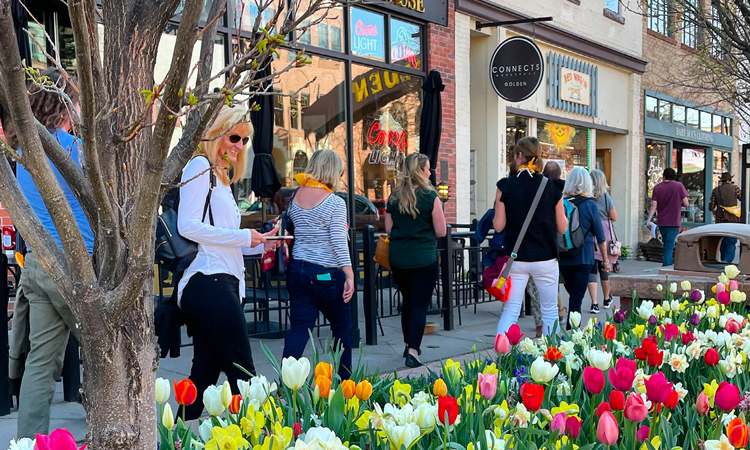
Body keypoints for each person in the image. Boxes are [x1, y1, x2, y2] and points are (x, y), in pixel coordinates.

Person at [176, 105, 277, 420]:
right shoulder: (199, 167)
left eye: (245, 140)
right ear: (217, 132)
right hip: (208, 282)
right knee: (243, 374)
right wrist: (244, 237)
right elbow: (187, 226)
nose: (239, 145)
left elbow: (226, 241)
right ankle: (266, 438)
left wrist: (259, 244)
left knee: (203, 377)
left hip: (221, 283)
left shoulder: (221, 179)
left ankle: (175, 438)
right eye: (235, 137)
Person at [9, 69, 95, 439]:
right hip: (73, 267)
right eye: (75, 101)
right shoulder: (72, 148)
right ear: (65, 105)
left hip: (39, 266)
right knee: (106, 352)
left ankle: (27, 443)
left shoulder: (23, 152)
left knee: (40, 364)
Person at [282, 150, 354, 380]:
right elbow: (338, 241)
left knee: (299, 328)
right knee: (342, 327)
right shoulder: (334, 202)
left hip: (299, 269)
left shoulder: (296, 196)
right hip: (327, 274)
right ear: (332, 171)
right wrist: (349, 273)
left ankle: (286, 382)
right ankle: (346, 383)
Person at [493, 137, 568, 335]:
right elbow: (562, 228)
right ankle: (552, 359)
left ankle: (502, 356)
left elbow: (498, 226)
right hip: (545, 257)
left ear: (519, 156)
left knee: (510, 310)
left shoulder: (505, 186)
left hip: (516, 258)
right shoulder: (552, 187)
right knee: (550, 312)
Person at [386, 153, 446, 368]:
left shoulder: (394, 197)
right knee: (420, 305)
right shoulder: (431, 196)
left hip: (398, 258)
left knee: (408, 303)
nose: (430, 172)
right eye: (428, 168)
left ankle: (407, 343)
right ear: (420, 171)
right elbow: (441, 230)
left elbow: (389, 228)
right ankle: (413, 351)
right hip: (423, 258)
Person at [559, 167, 610, 326]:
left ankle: (571, 332)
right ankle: (573, 334)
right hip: (584, 257)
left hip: (564, 256)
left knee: (574, 294)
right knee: (577, 297)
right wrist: (605, 260)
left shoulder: (561, 203)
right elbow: (600, 237)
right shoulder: (590, 205)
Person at [542, 161, 569, 321]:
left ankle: (558, 309)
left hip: (542, 244)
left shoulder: (539, 192)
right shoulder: (557, 193)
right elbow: (563, 225)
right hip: (557, 244)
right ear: (559, 176)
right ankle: (559, 309)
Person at [646, 168, 689, 267]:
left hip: (662, 222)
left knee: (667, 245)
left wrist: (648, 221)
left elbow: (653, 205)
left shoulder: (657, 188)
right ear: (674, 177)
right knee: (669, 246)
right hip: (674, 221)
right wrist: (678, 202)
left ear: (663, 176)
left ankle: (667, 264)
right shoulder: (679, 186)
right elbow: (686, 203)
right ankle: (667, 266)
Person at [588, 169, 618, 311]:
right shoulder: (606, 198)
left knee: (592, 270)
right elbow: (614, 216)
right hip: (605, 232)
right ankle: (606, 299)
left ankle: (594, 303)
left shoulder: (588, 197)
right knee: (604, 269)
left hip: (590, 231)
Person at [709, 172, 742, 263]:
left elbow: (711, 206)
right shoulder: (735, 188)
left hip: (720, 219)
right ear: (730, 180)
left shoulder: (716, 190)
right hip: (733, 219)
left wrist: (716, 211)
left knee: (722, 240)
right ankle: (727, 261)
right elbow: (742, 198)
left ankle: (723, 260)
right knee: (731, 241)